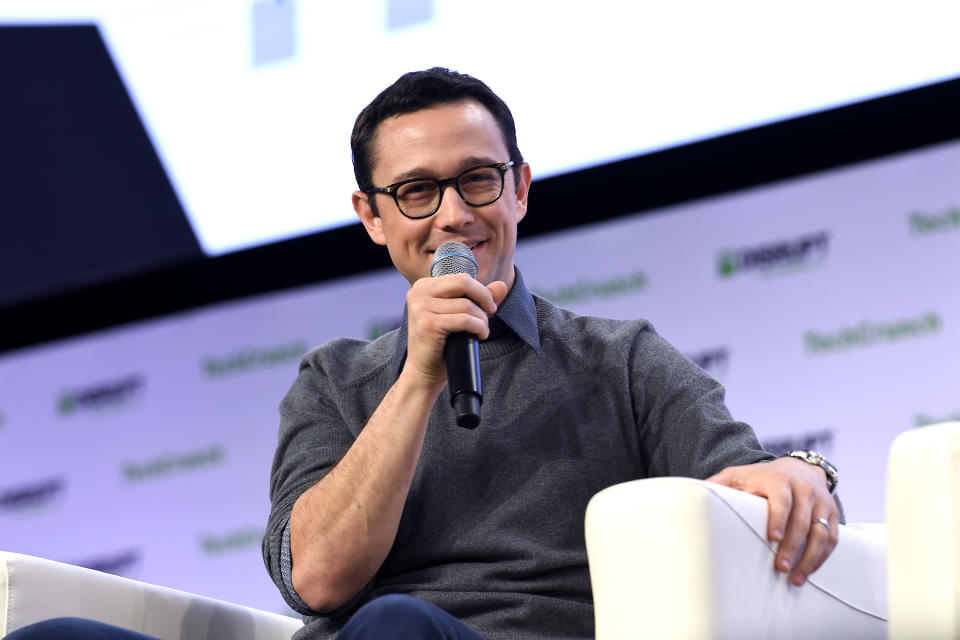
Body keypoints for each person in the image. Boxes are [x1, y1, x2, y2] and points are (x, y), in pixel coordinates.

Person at [263, 67, 841, 640]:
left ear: (519, 190)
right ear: (372, 217)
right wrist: (418, 380)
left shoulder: (620, 360)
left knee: (398, 625)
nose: (454, 215)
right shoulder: (333, 380)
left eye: (478, 179)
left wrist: (800, 471)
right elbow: (314, 580)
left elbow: (749, 493)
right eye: (417, 191)